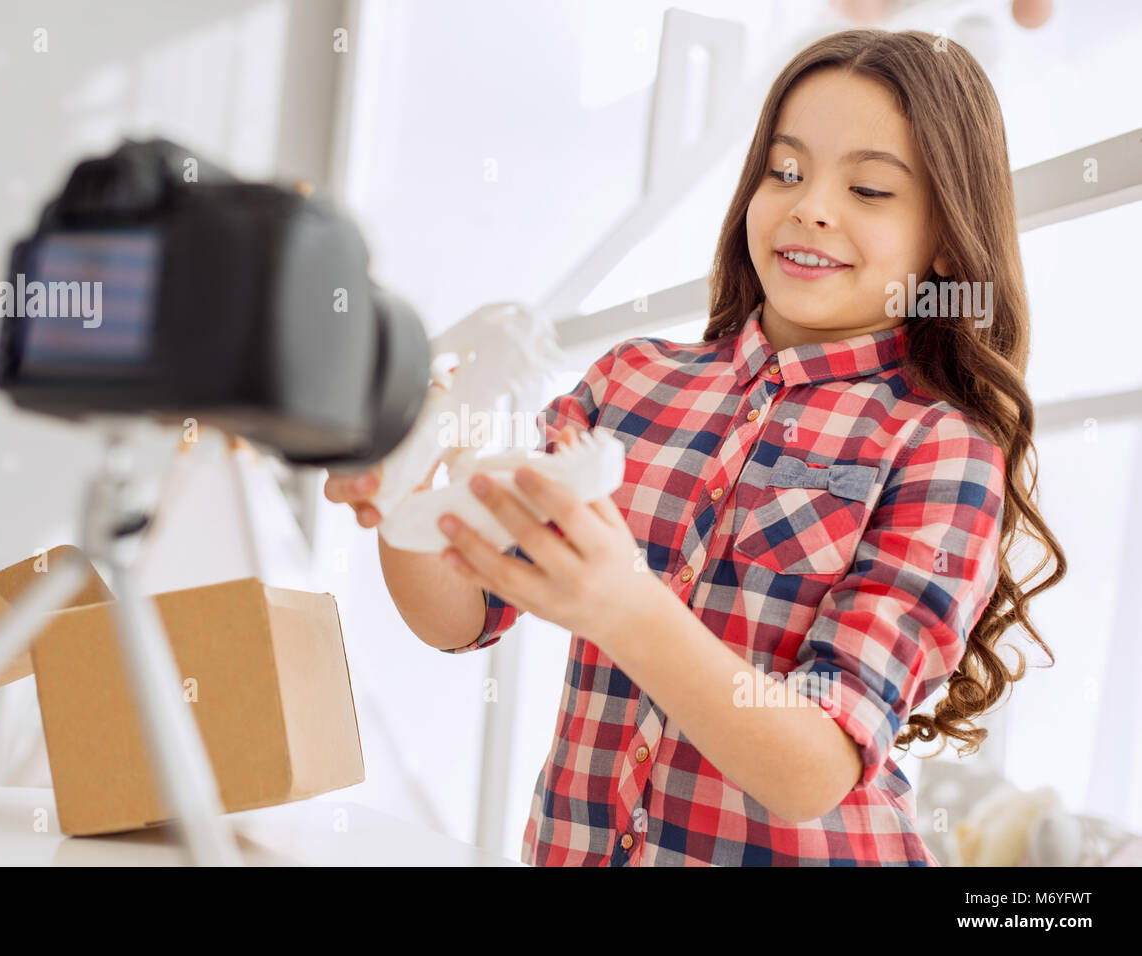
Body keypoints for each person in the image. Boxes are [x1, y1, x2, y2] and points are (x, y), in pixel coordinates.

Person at [325, 28, 1065, 866]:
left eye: (867, 187)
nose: (811, 204)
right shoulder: (629, 382)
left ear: (943, 240)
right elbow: (460, 614)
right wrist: (404, 493)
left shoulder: (941, 449)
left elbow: (814, 768)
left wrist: (624, 605)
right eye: (785, 171)